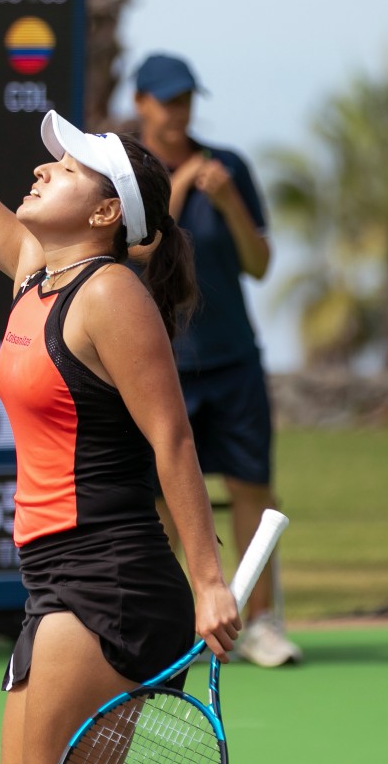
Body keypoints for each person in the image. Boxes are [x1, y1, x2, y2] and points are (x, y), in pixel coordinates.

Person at [0, 0, 241, 764]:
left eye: (69, 167)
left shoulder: (111, 294)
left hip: (111, 574)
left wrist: (210, 577)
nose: (45, 169)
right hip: (50, 579)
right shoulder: (34, 271)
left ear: (108, 213)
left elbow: (171, 438)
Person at [131, 52, 303, 668]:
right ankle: (175, 626)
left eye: (186, 100)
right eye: (167, 100)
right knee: (161, 501)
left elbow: (259, 264)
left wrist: (229, 202)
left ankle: (262, 624)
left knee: (253, 485)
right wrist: (176, 190)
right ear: (141, 102)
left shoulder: (229, 167)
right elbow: (136, 255)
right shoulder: (129, 173)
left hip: (233, 360)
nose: (178, 112)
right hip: (157, 365)